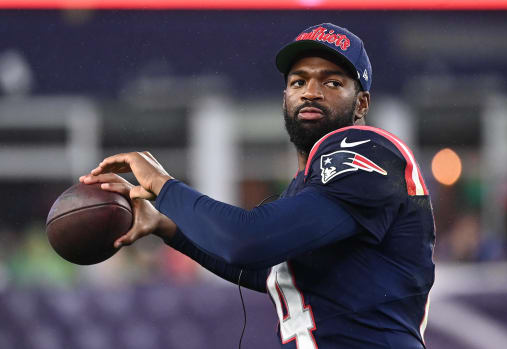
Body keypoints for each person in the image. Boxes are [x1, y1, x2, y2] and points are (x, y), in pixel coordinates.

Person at [80, 23, 436, 349]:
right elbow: (271, 271)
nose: (310, 92)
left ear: (362, 103)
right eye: (298, 82)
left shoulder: (366, 150)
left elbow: (246, 241)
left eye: (332, 82)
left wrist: (162, 183)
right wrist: (165, 225)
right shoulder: (309, 187)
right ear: (284, 98)